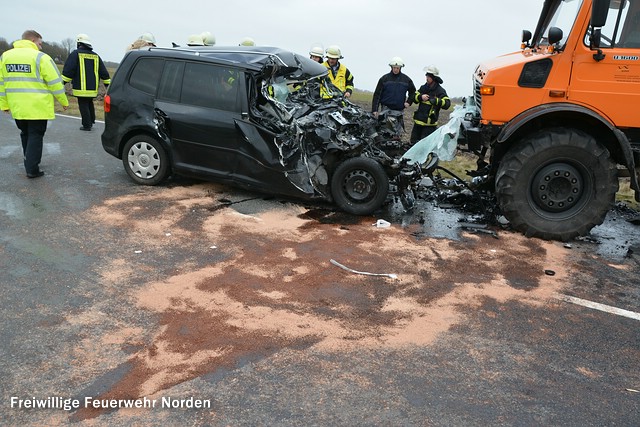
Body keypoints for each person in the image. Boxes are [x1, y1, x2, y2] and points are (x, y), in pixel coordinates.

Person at [0, 29, 69, 178]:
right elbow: (55, 83)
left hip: (17, 106)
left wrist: (4, 104)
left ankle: (28, 160)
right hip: (37, 107)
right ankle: (32, 168)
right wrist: (63, 101)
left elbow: (1, 83)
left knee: (25, 133)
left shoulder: (5, 57)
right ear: (32, 41)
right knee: (36, 135)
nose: (41, 46)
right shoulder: (41, 58)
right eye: (39, 43)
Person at [62, 34, 111, 131]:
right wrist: (107, 85)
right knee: (89, 103)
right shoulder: (96, 56)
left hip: (81, 87)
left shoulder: (75, 54)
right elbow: (103, 72)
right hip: (92, 88)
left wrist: (62, 82)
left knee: (83, 104)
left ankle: (86, 125)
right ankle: (91, 121)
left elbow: (69, 70)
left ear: (79, 43)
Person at [410, 65, 451, 144]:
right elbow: (413, 97)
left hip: (429, 126)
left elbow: (447, 104)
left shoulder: (440, 90)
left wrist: (436, 101)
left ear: (434, 78)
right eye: (426, 76)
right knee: (413, 144)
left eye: (428, 76)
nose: (427, 78)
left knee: (424, 147)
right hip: (417, 124)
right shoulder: (423, 88)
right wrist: (420, 97)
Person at [371, 56, 416, 126]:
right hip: (385, 109)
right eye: (394, 67)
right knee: (384, 130)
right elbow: (377, 95)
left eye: (397, 68)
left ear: (400, 68)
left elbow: (413, 92)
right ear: (391, 67)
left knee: (396, 133)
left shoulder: (407, 80)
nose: (395, 69)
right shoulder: (384, 79)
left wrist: (409, 102)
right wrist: (374, 109)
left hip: (399, 110)